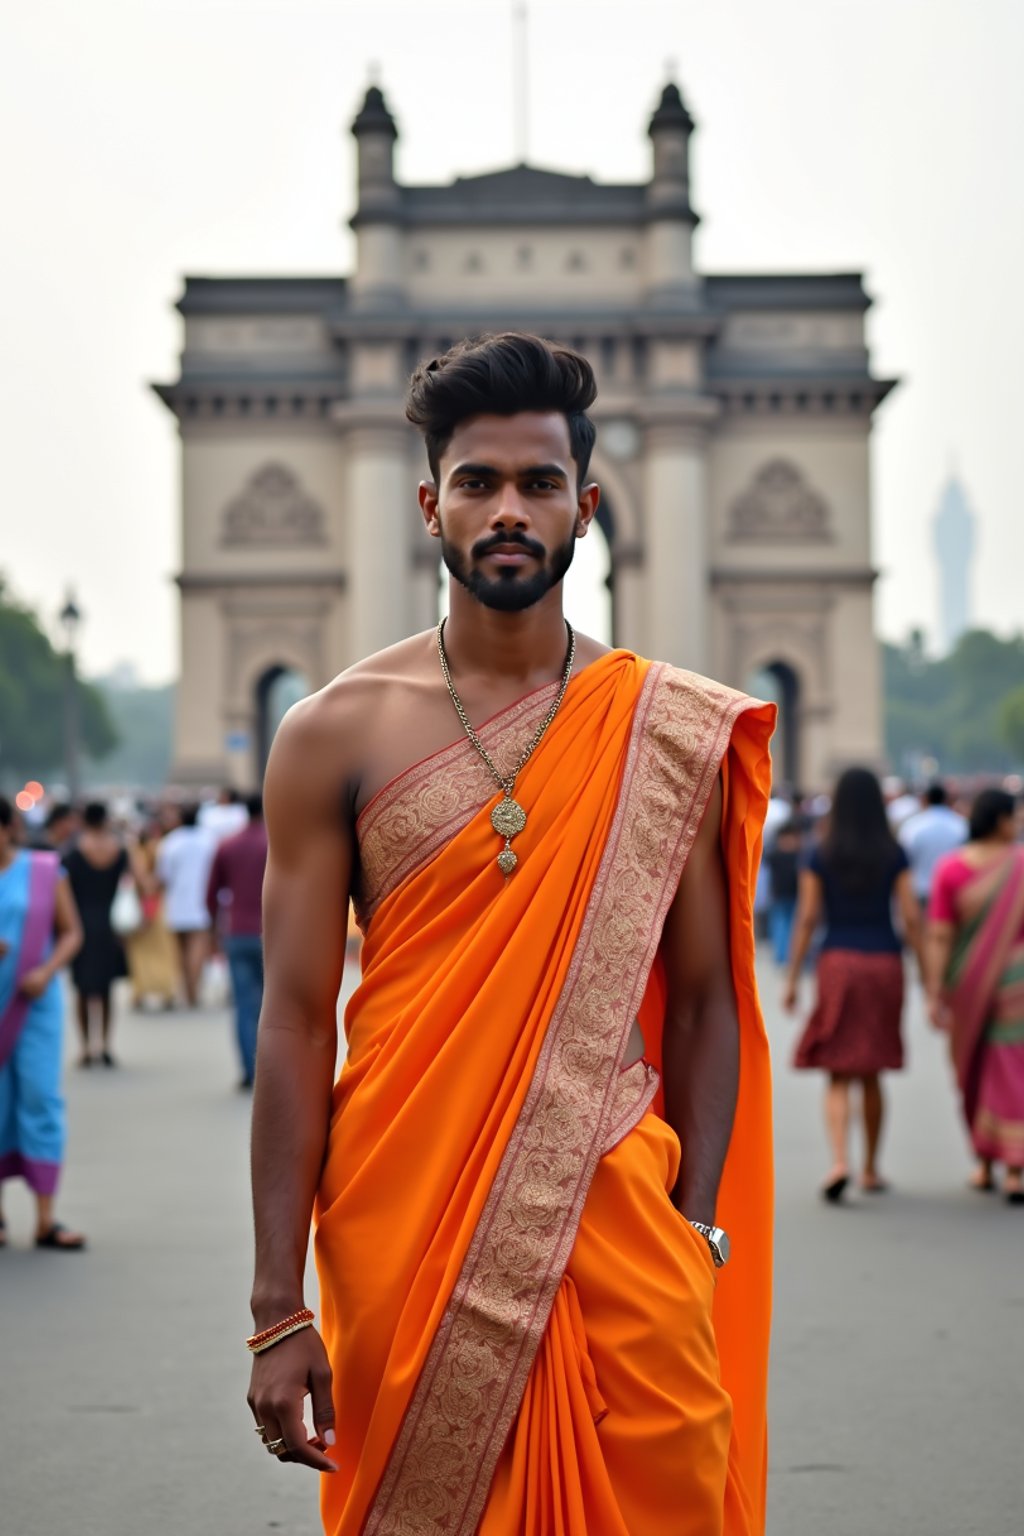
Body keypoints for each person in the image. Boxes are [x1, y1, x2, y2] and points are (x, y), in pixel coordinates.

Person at [246, 334, 776, 1536]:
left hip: (624, 1230)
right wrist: (278, 1305)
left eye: (538, 483)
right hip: (404, 1217)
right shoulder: (332, 734)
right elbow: (289, 1017)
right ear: (429, 503)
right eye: (477, 482)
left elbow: (701, 1004)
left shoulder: (665, 730)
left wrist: (688, 1236)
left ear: (587, 508)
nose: (506, 510)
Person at [784, 766, 923, 1201]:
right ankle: (870, 1168)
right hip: (883, 960)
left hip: (838, 961)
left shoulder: (819, 853)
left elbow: (808, 918)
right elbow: (911, 916)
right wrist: (930, 975)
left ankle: (839, 1160)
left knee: (838, 1070)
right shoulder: (894, 852)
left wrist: (791, 978)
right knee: (872, 1070)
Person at [924, 788, 1024, 1202]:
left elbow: (940, 934)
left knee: (974, 1068)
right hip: (1017, 984)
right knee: (1011, 1070)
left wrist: (934, 989)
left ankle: (986, 1164)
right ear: (1001, 820)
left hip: (965, 983)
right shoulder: (1021, 865)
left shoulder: (951, 869)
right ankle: (1014, 1167)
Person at [0, 795, 86, 1249]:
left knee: (39, 1098)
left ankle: (45, 1218)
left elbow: (72, 931)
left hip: (34, 1002)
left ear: (7, 827)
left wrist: (47, 970)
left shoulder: (43, 870)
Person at [206, 792, 268, 1089]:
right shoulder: (276, 844)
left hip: (238, 932)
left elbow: (211, 895)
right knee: (276, 1007)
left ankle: (248, 1070)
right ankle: (272, 1073)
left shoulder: (227, 845)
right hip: (273, 935)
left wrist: (213, 932)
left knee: (245, 1005)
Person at [63, 802, 130, 1067]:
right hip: (109, 924)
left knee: (82, 989)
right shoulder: (119, 849)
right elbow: (142, 881)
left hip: (79, 925)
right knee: (106, 989)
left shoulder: (73, 851)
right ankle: (105, 1044)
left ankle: (85, 1048)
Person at [157, 804, 215, 1007]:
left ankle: (187, 988)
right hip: (202, 899)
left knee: (181, 949)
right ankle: (193, 989)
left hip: (177, 900)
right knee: (198, 945)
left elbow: (163, 875)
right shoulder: (208, 840)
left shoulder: (171, 842)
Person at [124, 819, 180, 1010]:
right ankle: (166, 990)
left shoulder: (136, 852)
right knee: (164, 950)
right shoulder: (160, 848)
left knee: (141, 951)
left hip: (144, 905)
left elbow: (142, 880)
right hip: (160, 904)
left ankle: (140, 991)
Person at [900, 782, 968, 911]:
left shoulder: (912, 827)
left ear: (925, 799)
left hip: (921, 892)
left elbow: (906, 860)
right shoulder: (961, 825)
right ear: (946, 799)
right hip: (954, 892)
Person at [765, 820, 802, 966]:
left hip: (789, 895)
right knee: (784, 924)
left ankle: (784, 955)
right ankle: (784, 955)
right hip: (783, 895)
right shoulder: (798, 855)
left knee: (784, 924)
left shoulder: (775, 854)